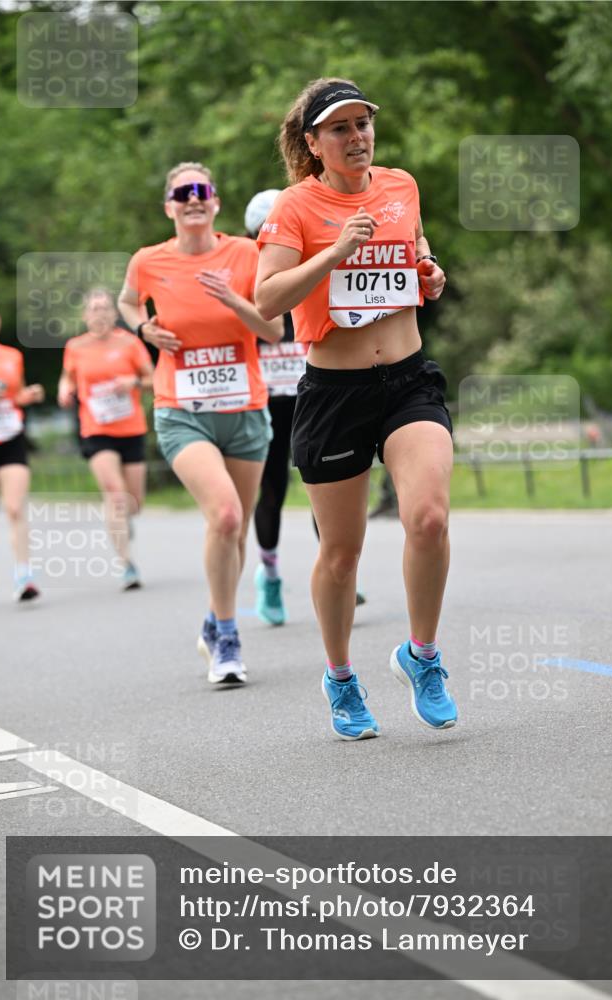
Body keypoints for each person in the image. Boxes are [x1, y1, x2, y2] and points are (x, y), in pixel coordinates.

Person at [255, 78, 457, 740]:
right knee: (341, 554)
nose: (356, 136)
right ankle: (340, 677)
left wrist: (429, 271)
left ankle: (422, 655)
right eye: (339, 128)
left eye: (362, 122)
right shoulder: (295, 206)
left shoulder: (401, 186)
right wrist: (335, 251)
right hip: (334, 393)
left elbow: (417, 249)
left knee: (428, 517)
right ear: (313, 143)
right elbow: (267, 300)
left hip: (407, 380)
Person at [118, 162, 283, 685]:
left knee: (234, 531)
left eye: (201, 190)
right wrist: (143, 329)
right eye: (181, 192)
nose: (192, 198)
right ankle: (229, 638)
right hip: (182, 411)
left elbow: (275, 330)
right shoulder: (149, 261)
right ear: (169, 206)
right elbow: (127, 301)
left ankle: (214, 620)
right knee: (227, 515)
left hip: (245, 410)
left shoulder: (245, 254)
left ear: (215, 202)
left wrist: (234, 300)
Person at [58, 287, 154, 590]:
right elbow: (68, 377)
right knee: (115, 494)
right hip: (96, 429)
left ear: (114, 314)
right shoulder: (75, 347)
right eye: (93, 309)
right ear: (85, 315)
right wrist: (64, 390)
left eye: (104, 308)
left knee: (134, 502)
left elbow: (153, 379)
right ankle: (127, 564)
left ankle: (124, 522)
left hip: (131, 428)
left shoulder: (130, 343)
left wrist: (133, 381)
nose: (99, 314)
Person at [245, 189, 307, 626]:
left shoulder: (310, 273)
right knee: (272, 492)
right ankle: (269, 575)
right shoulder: (247, 286)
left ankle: (341, 570)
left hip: (310, 397)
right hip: (264, 405)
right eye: (263, 236)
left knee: (330, 487)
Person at [0, 297, 45, 600]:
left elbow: (17, 394)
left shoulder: (12, 356)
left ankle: (24, 575)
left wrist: (28, 395)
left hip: (10, 437)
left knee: (14, 507)